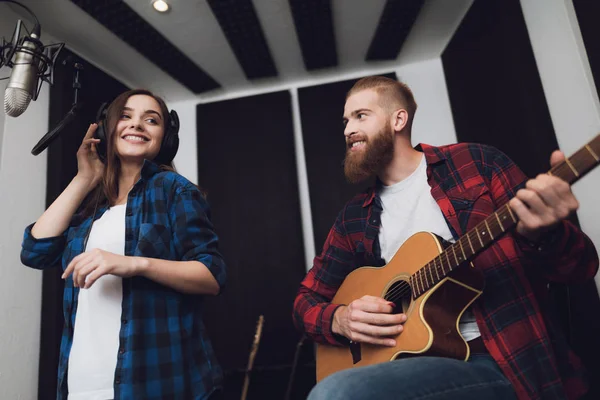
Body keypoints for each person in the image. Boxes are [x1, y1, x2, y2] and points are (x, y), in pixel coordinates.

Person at [293, 76, 599, 400]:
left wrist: (542, 234)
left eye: (360, 116)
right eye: (345, 120)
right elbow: (305, 301)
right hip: (406, 364)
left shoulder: (476, 164)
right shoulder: (353, 218)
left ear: (399, 119)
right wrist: (340, 319)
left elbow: (581, 268)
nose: (347, 129)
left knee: (334, 395)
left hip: (499, 360)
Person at [21, 89, 226, 400]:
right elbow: (35, 252)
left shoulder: (174, 190)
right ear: (107, 129)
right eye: (126, 116)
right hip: (82, 381)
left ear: (165, 138)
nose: (137, 125)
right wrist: (84, 178)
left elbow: (211, 276)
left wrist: (133, 263)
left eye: (151, 120)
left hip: (152, 379)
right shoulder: (91, 210)